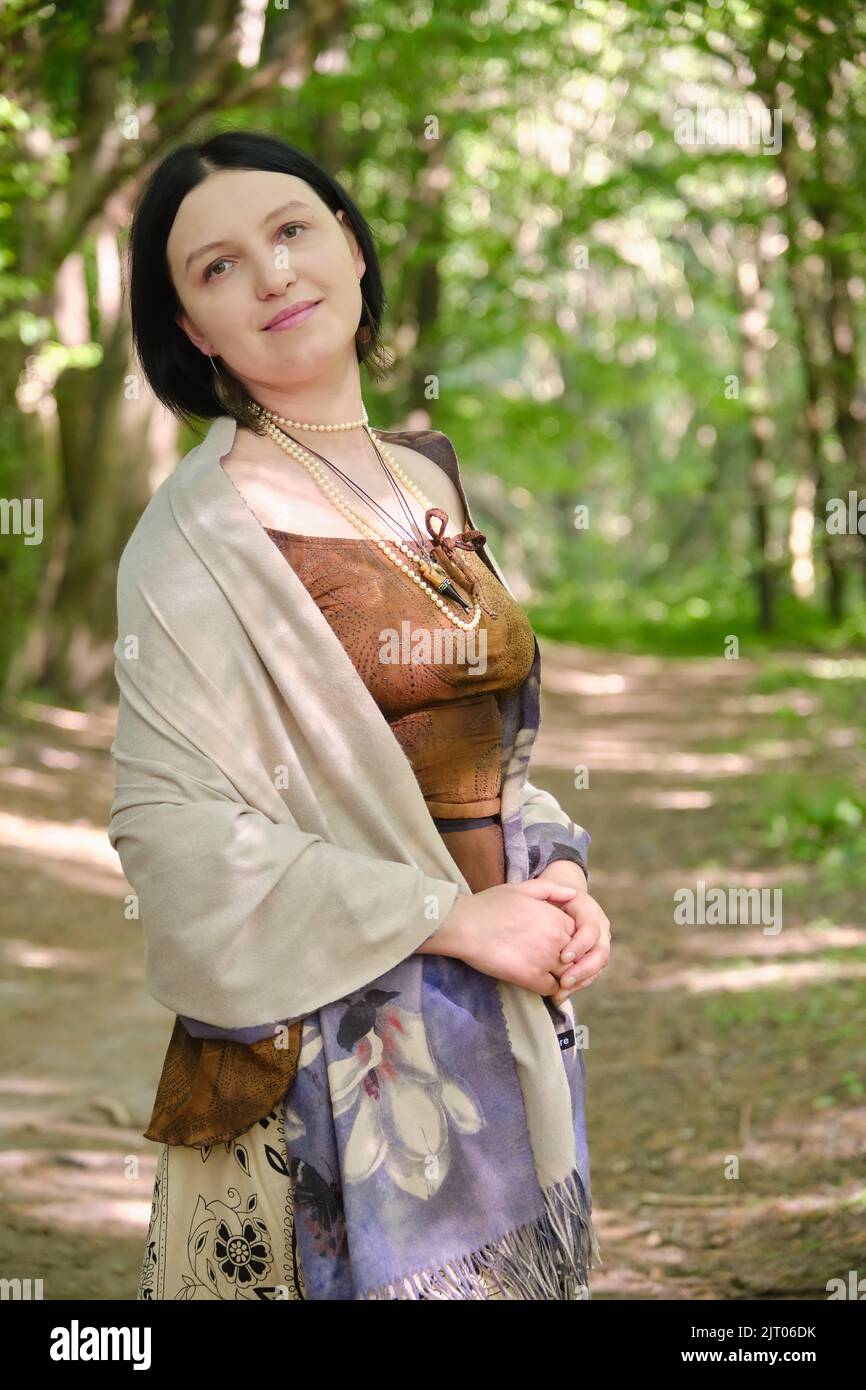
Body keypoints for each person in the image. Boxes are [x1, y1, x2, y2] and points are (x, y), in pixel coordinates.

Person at [111, 128, 611, 1301]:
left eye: (290, 230)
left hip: (496, 1016)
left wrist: (556, 881)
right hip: (326, 1069)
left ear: (347, 241)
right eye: (217, 266)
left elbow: (485, 751)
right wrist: (452, 918)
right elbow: (170, 836)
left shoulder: (423, 477)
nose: (273, 272)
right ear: (192, 329)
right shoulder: (194, 538)